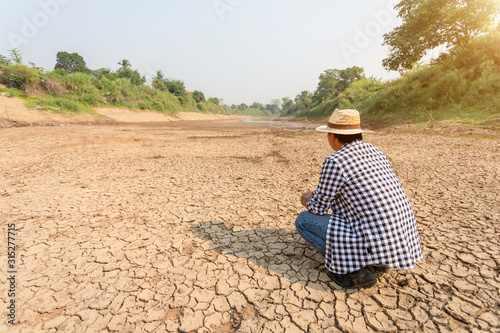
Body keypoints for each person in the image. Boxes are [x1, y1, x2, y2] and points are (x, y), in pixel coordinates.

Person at [295, 109, 423, 289]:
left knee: (303, 220)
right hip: (395, 241)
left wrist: (307, 199)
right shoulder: (375, 151)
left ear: (332, 136)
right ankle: (378, 263)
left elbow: (319, 208)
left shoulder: (336, 161)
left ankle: (354, 272)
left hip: (372, 235)